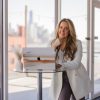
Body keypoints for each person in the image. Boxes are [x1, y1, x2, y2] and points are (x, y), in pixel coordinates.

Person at [50, 18, 91, 100]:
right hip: (62, 78)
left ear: (70, 31)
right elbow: (49, 60)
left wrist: (61, 65)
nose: (62, 30)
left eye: (66, 28)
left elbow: (76, 63)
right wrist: (54, 46)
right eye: (61, 27)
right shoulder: (53, 43)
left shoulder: (77, 43)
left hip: (76, 77)